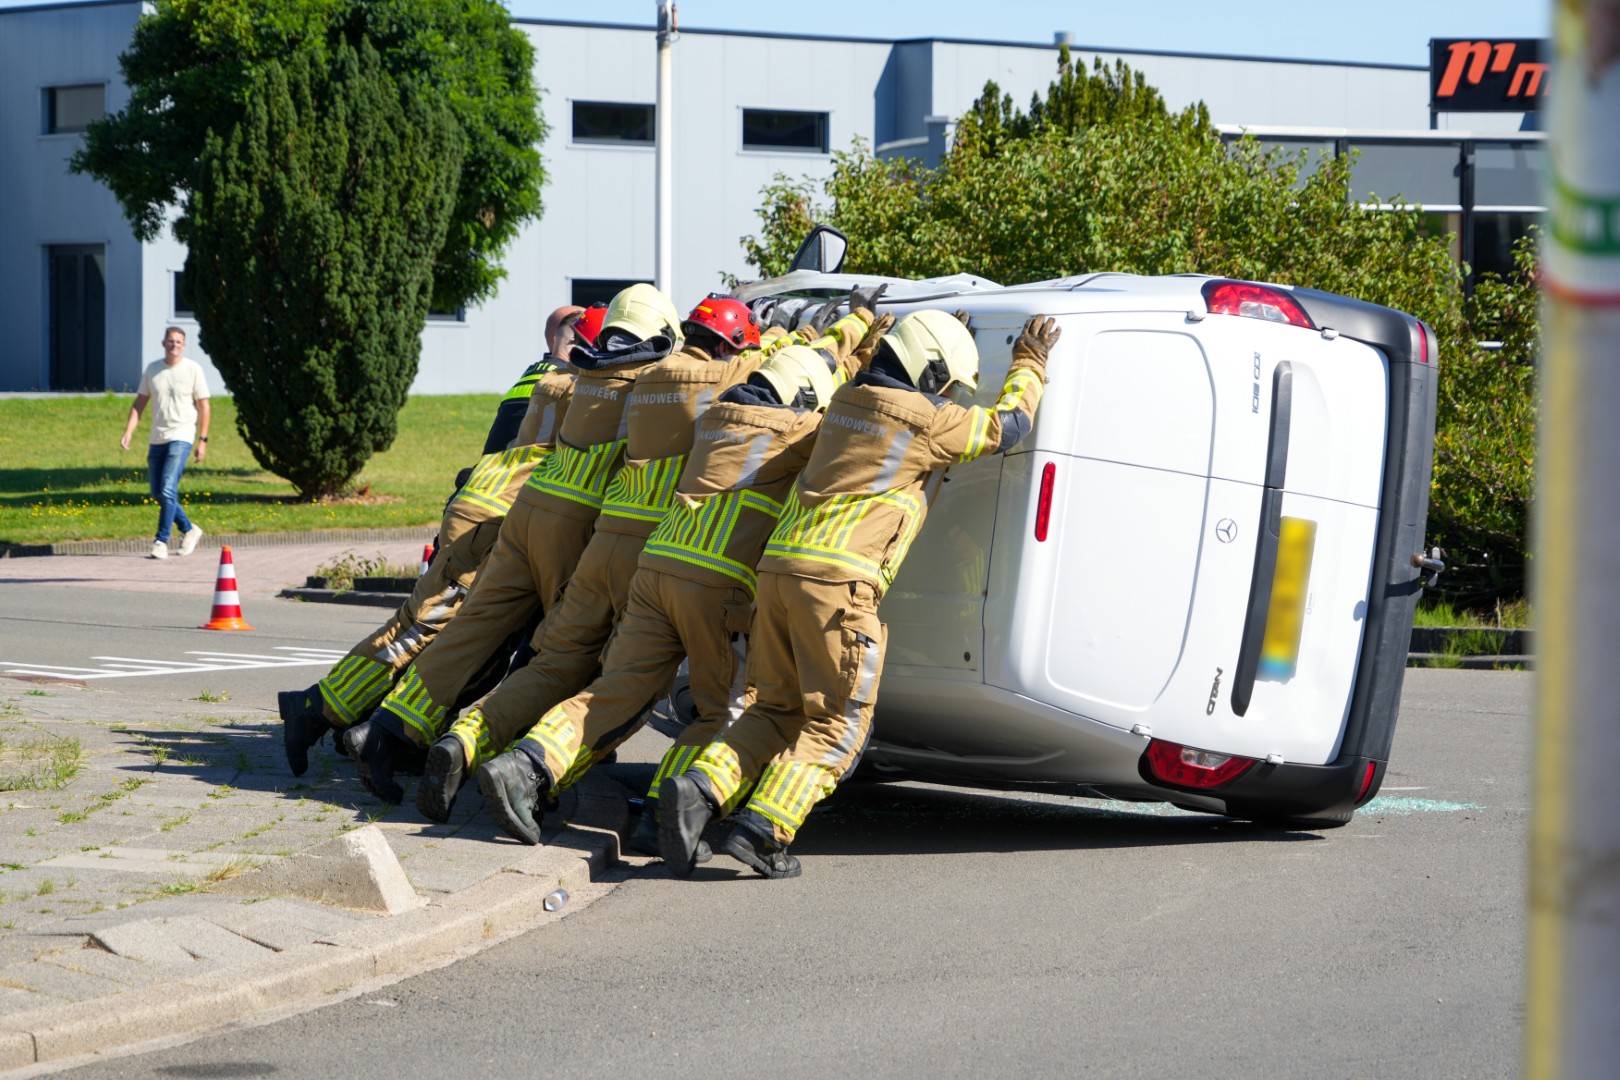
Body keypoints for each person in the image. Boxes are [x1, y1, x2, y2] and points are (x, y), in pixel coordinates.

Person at [466, 292, 891, 846]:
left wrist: (845, 339)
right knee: (728, 710)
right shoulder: (799, 433)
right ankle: (665, 816)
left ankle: (525, 764)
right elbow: (856, 432)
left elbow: (781, 363)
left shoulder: (713, 412)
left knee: (612, 690)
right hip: (714, 589)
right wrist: (860, 348)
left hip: (649, 569)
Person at [661, 310, 1062, 879]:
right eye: (949, 385)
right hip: (838, 586)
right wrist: (1030, 364)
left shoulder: (845, 401)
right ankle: (763, 831)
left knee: (775, 708)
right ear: (932, 377)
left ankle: (700, 791)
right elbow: (1007, 427)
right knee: (837, 723)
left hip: (777, 575)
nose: (950, 396)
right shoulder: (928, 420)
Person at [424, 293, 795, 826]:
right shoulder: (720, 379)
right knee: (633, 694)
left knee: (555, 663)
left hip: (601, 544)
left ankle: (469, 740)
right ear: (726, 345)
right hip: (655, 556)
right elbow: (767, 376)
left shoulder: (639, 378)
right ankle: (662, 816)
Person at [344, 284, 685, 803]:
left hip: (527, 509)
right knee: (560, 651)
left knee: (472, 631)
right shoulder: (651, 380)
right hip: (574, 529)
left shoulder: (580, 369)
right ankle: (502, 756)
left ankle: (388, 731)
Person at [276, 305, 591, 776]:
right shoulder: (580, 389)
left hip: (482, 506)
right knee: (446, 638)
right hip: (497, 521)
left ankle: (369, 724)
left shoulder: (535, 377)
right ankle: (355, 721)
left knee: (431, 631)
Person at [120, 326, 210, 559]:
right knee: (158, 492)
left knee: (168, 488)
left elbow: (204, 406)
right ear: (163, 343)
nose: (174, 345)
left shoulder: (193, 370)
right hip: (157, 438)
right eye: (170, 341)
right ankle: (189, 529)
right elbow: (139, 403)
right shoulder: (153, 370)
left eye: (179, 342)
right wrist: (129, 431)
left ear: (184, 345)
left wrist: (203, 440)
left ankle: (161, 541)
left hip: (182, 436)